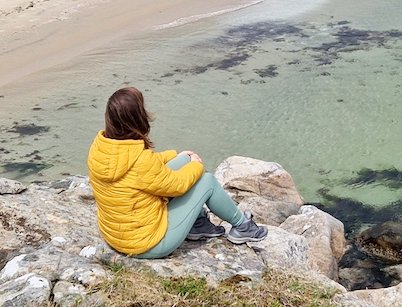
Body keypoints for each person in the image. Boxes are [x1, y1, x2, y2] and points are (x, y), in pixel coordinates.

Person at [86, 86, 267, 258]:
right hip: (148, 244)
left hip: (118, 237)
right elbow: (177, 186)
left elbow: (143, 171)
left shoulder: (99, 149)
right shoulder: (141, 162)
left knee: (184, 161)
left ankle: (197, 224)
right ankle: (243, 227)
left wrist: (178, 157)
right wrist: (196, 165)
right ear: (138, 118)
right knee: (207, 182)